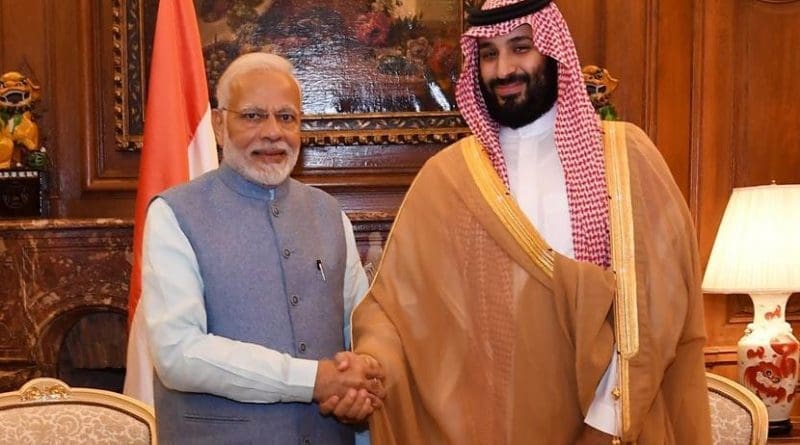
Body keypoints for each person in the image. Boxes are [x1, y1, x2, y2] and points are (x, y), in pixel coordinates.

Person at [350, 0, 712, 443]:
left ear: (552, 50)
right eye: (488, 54)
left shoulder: (624, 156)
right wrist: (370, 364)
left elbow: (659, 301)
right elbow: (394, 307)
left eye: (520, 47)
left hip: (615, 426)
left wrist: (604, 422)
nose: (503, 69)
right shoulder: (449, 178)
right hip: (495, 424)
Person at [140, 52, 384, 444]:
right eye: (252, 116)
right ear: (219, 125)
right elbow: (178, 353)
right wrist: (313, 380)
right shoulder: (175, 214)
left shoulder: (328, 212)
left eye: (286, 117)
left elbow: (364, 324)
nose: (273, 132)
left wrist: (362, 381)